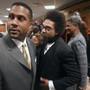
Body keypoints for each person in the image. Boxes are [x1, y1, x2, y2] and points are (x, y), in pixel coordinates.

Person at [34, 10, 81, 90]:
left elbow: (75, 76)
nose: (43, 31)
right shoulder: (45, 42)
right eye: (43, 27)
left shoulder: (64, 50)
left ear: (57, 31)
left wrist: (51, 84)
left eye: (47, 28)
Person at [0, 2, 36, 90]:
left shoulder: (31, 44)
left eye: (20, 18)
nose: (14, 23)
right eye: (11, 17)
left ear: (30, 25)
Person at [65, 15, 87, 90]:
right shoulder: (73, 38)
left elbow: (83, 63)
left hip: (75, 82)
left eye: (68, 26)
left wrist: (82, 85)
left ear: (76, 26)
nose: (66, 28)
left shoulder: (78, 40)